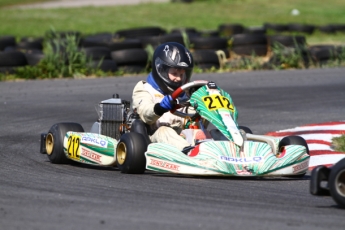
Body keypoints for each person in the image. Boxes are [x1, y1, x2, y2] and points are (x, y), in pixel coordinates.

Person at [132, 42, 194, 151]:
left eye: (182, 74)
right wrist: (160, 108)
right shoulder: (144, 89)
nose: (179, 79)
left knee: (209, 131)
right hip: (153, 136)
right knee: (165, 131)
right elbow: (145, 112)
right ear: (161, 70)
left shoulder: (187, 92)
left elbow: (193, 115)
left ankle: (228, 151)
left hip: (183, 134)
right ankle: (190, 154)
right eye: (175, 73)